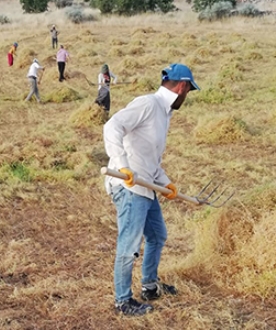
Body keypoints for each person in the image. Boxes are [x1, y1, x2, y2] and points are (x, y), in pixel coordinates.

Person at [103, 63, 200, 316]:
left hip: (147, 186)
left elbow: (150, 159)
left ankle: (149, 286)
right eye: (188, 91)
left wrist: (165, 182)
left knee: (157, 235)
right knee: (129, 244)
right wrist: (123, 166)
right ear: (182, 86)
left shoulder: (164, 114)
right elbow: (112, 126)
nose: (186, 97)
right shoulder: (148, 104)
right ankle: (123, 301)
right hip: (129, 187)